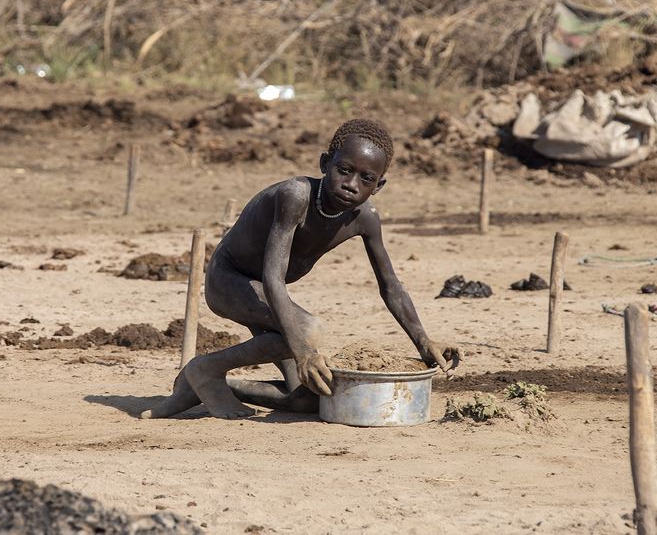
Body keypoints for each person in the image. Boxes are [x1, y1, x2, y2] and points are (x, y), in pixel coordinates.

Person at [141, 118, 459, 420]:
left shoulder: (365, 218)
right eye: (344, 170)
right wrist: (304, 350)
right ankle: (206, 369)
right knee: (308, 332)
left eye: (366, 179)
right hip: (229, 280)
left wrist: (423, 341)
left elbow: (390, 285)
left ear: (379, 185)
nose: (351, 185)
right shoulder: (295, 196)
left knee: (309, 396)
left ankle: (214, 387)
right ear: (324, 164)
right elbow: (273, 278)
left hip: (265, 294)